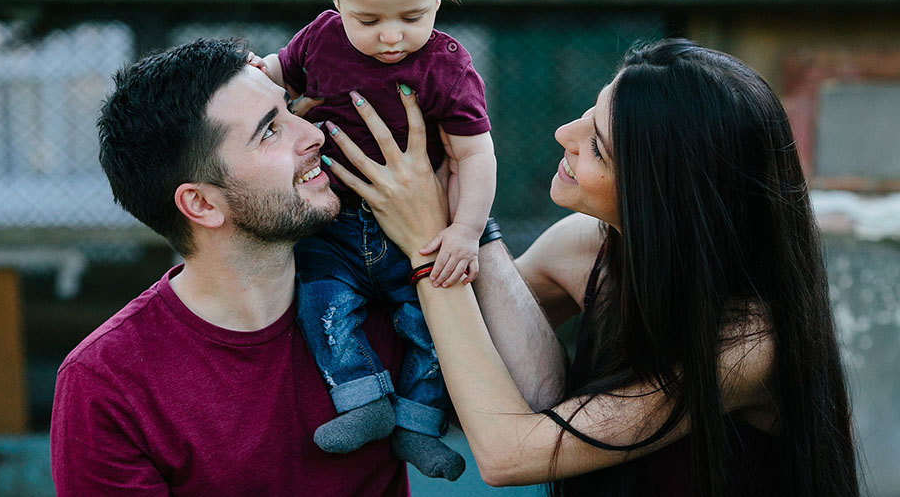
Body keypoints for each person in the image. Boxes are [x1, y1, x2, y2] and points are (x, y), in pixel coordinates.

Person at [324, 39, 860, 496]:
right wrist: (466, 222)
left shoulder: (745, 347)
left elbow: (509, 452)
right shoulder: (582, 250)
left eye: (596, 146)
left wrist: (426, 244)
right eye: (588, 113)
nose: (563, 134)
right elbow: (497, 372)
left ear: (662, 197)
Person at [49, 38, 563, 495]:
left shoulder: (382, 281)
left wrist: (459, 215)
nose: (313, 132)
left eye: (289, 107)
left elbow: (542, 397)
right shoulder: (106, 385)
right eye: (269, 131)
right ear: (202, 204)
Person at [250, 0, 495, 480]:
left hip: (416, 230)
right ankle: (360, 401)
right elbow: (278, 72)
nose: (392, 37)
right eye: (369, 19)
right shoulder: (323, 40)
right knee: (321, 307)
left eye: (413, 16)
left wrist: (465, 232)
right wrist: (255, 75)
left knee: (429, 330)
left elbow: (475, 155)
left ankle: (418, 423)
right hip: (334, 224)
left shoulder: (447, 67)